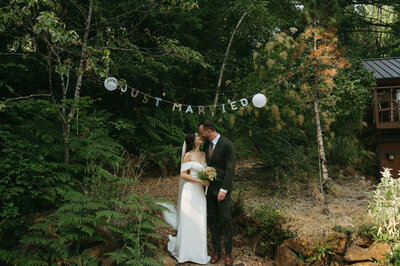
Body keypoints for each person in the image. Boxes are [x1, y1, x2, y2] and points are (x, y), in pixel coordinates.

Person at [160, 132, 210, 264]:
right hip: (190, 191)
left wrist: (208, 178)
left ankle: (199, 253)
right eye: (198, 137)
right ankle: (184, 253)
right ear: (193, 141)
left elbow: (207, 170)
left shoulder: (205, 154)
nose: (200, 137)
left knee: (199, 220)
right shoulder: (188, 155)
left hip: (200, 193)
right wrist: (200, 181)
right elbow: (183, 175)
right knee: (188, 220)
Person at [199, 119, 235, 266]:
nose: (202, 136)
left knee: (226, 219)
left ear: (209, 131)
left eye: (202, 133)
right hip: (210, 190)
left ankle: (228, 253)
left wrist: (224, 189)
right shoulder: (206, 145)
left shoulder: (227, 145)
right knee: (212, 219)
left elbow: (230, 169)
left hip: (222, 190)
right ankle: (216, 251)